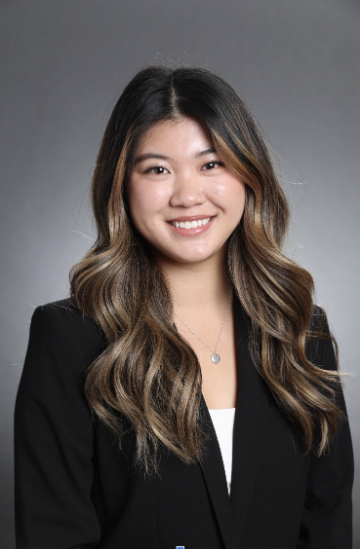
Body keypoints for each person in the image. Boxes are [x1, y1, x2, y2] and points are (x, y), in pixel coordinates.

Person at [14, 64, 354, 549]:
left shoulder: (301, 330)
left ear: (248, 175)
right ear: (122, 185)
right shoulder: (69, 337)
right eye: (157, 169)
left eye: (211, 164)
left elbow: (329, 520)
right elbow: (55, 534)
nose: (188, 195)